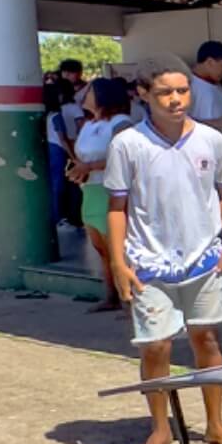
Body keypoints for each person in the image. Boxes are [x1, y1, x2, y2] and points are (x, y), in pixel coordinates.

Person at [103, 54, 222, 444]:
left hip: (204, 259)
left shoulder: (211, 141)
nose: (176, 99)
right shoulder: (128, 144)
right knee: (156, 346)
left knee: (207, 339)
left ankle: (215, 423)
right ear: (143, 94)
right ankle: (161, 428)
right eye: (165, 92)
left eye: (182, 90)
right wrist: (118, 262)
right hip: (148, 264)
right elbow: (117, 206)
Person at [67, 78, 136, 312]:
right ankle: (112, 295)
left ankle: (131, 299)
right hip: (90, 189)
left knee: (119, 247)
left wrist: (89, 167)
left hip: (112, 191)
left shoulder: (121, 123)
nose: (85, 95)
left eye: (91, 91)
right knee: (102, 248)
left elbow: (124, 158)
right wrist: (78, 168)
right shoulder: (88, 124)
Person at [188, 42, 222, 211]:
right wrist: (218, 123)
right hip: (201, 160)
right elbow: (178, 122)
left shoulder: (217, 87)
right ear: (209, 61)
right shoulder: (188, 86)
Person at [44, 81, 82, 230]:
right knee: (58, 185)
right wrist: (73, 156)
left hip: (50, 149)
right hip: (58, 151)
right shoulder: (56, 116)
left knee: (54, 185)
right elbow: (63, 139)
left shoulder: (48, 115)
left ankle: (57, 216)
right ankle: (59, 218)